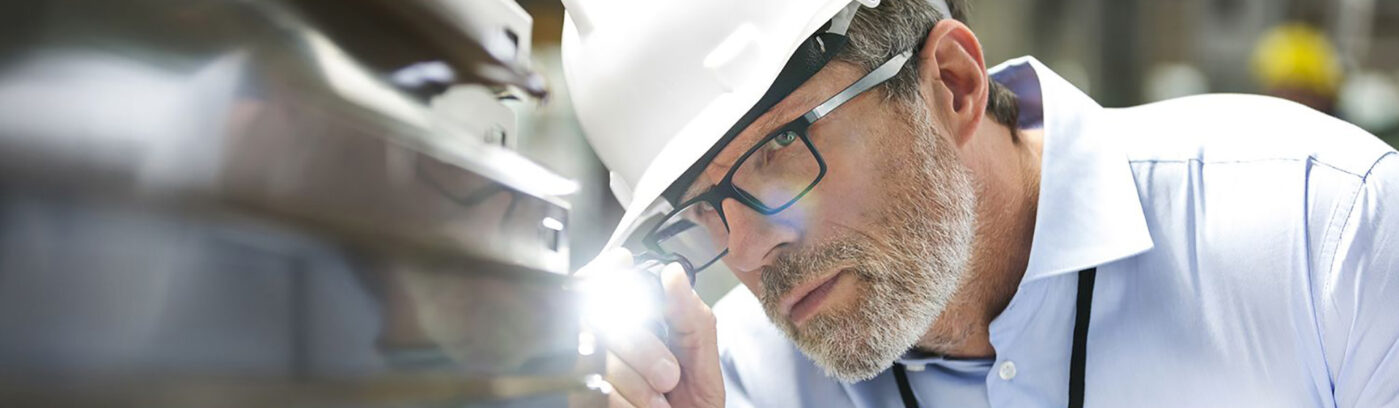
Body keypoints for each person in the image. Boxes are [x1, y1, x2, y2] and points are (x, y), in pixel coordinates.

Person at [561, 0, 1399, 406]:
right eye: (697, 214)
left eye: (775, 158)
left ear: (952, 86)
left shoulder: (1319, 233)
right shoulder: (738, 385)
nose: (744, 255)